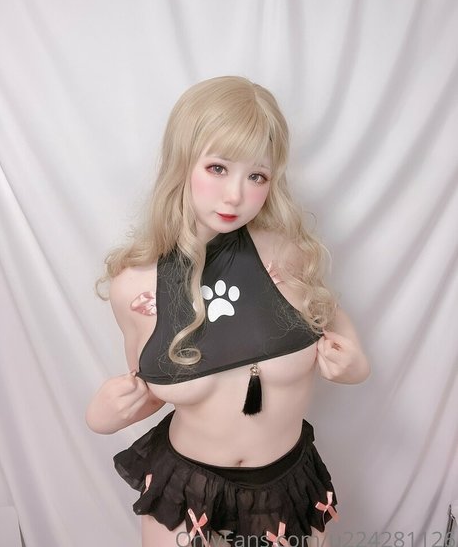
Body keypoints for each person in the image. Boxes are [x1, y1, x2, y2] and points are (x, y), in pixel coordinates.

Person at [86, 76, 370, 547]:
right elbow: (154, 385)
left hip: (286, 491)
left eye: (256, 176)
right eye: (218, 168)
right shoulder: (136, 287)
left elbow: (333, 325)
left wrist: (355, 362)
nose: (235, 195)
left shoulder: (288, 257)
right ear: (181, 162)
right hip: (185, 495)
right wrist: (104, 415)